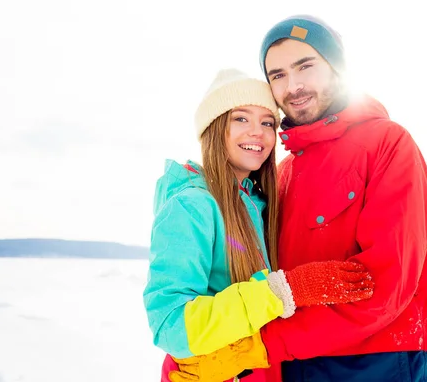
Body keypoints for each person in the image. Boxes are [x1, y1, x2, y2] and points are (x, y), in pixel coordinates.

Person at [167, 15, 427, 382]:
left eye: (305, 66)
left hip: (379, 364)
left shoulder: (388, 146)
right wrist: (198, 357)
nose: (293, 85)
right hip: (295, 364)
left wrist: (259, 347)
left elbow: (384, 286)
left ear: (336, 68)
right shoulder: (282, 174)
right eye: (277, 75)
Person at [142, 68, 375, 382]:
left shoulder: (261, 204)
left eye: (268, 122)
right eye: (241, 118)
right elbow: (170, 326)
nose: (258, 132)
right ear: (214, 128)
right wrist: (282, 291)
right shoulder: (191, 206)